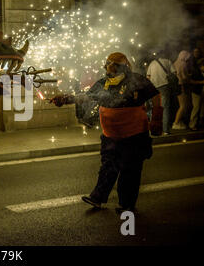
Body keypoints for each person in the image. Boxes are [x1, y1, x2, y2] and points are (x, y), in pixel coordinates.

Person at [50, 52, 162, 213]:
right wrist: (66, 99)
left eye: (114, 66)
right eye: (108, 65)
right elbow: (87, 97)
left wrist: (157, 118)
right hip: (111, 136)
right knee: (108, 167)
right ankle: (97, 197)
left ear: (123, 67)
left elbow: (156, 95)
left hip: (134, 135)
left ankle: (126, 205)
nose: (109, 69)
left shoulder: (137, 81)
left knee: (129, 170)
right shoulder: (103, 83)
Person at [146, 51, 176, 134]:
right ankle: (165, 130)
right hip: (164, 86)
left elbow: (148, 77)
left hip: (153, 87)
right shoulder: (168, 61)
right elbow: (174, 73)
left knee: (154, 108)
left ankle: (154, 129)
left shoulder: (152, 63)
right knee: (165, 108)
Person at [172, 50, 193, 130]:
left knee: (182, 105)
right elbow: (184, 77)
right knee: (183, 106)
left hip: (176, 86)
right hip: (181, 86)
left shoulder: (175, 63)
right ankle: (176, 123)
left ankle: (179, 121)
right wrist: (189, 76)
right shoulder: (183, 64)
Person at [189, 51, 204, 131]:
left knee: (201, 109)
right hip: (196, 92)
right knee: (196, 108)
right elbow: (191, 81)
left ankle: (200, 123)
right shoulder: (196, 72)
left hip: (201, 91)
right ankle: (192, 125)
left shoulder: (202, 72)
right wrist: (201, 82)